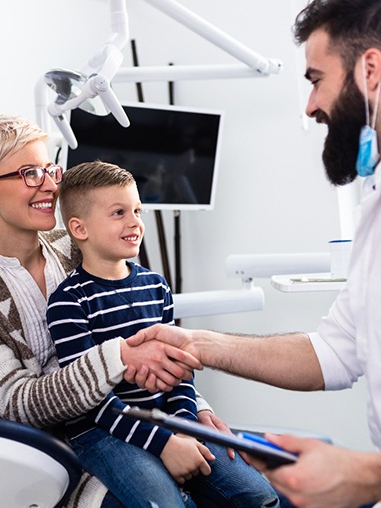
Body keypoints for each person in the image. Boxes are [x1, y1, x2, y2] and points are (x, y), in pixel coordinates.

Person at [126, 0, 381, 507]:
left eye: (315, 78)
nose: (310, 106)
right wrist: (198, 343)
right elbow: (335, 351)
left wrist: (365, 474)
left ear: (369, 70)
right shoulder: (374, 214)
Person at [0, 114, 214, 508]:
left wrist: (194, 409)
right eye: (29, 173)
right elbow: (17, 404)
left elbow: (146, 325)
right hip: (33, 457)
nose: (50, 184)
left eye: (49, 169)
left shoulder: (78, 240)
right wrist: (121, 356)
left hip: (124, 424)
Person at [46, 160, 284, 508]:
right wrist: (164, 444)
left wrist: (186, 428)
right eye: (118, 213)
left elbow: (181, 373)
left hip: (168, 418)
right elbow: (92, 401)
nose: (135, 222)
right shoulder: (68, 301)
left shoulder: (156, 286)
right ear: (79, 229)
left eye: (137, 210)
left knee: (259, 497)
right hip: (102, 432)